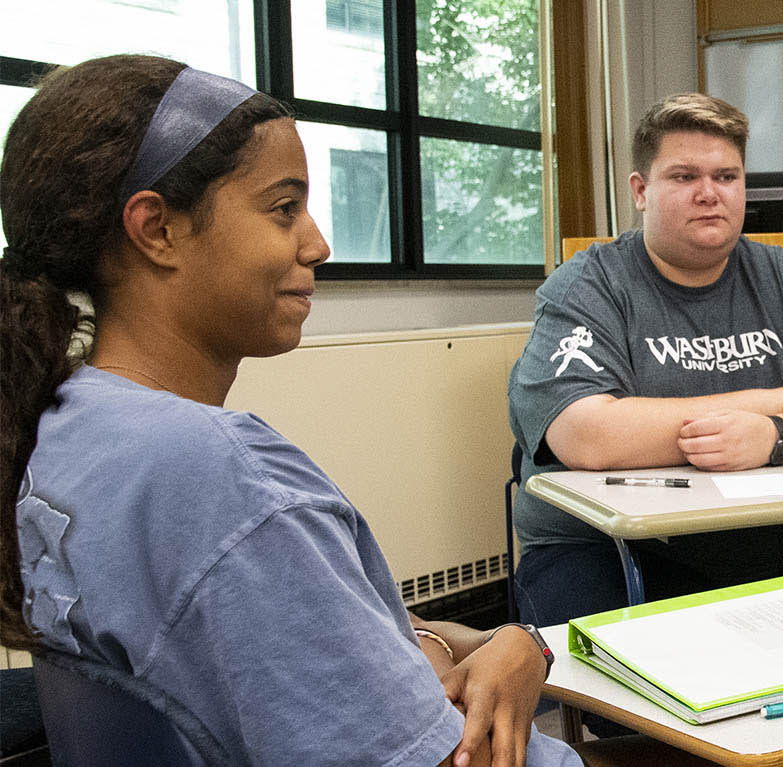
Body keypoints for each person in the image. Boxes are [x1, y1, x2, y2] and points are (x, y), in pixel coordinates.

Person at [0, 54, 712, 767]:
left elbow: (307, 631)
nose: (317, 243)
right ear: (156, 229)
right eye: (284, 209)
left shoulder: (74, 423)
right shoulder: (218, 475)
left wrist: (513, 642)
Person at [507, 93, 783, 641]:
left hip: (771, 531)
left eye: (726, 176)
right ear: (641, 191)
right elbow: (588, 435)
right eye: (683, 177)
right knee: (642, 676)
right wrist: (775, 401)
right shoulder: (587, 286)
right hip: (613, 542)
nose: (708, 194)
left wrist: (774, 438)